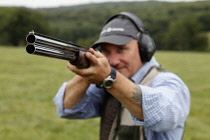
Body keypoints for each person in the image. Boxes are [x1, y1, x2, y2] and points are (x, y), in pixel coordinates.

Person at [53, 11, 190, 140]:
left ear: (144, 48)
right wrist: (87, 68)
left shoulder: (168, 82)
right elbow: (67, 108)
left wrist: (110, 78)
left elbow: (161, 116)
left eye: (121, 49)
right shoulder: (109, 82)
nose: (113, 61)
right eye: (106, 51)